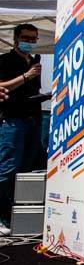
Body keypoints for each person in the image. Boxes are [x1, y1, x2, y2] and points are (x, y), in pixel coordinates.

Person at [0, 24, 43, 236]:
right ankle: (1, 216)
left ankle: (19, 216)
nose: (30, 42)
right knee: (8, 169)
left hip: (34, 119)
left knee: (25, 171)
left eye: (33, 39)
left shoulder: (35, 61)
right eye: (26, 38)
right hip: (13, 121)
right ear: (16, 38)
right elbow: (3, 86)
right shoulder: (5, 60)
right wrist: (26, 76)